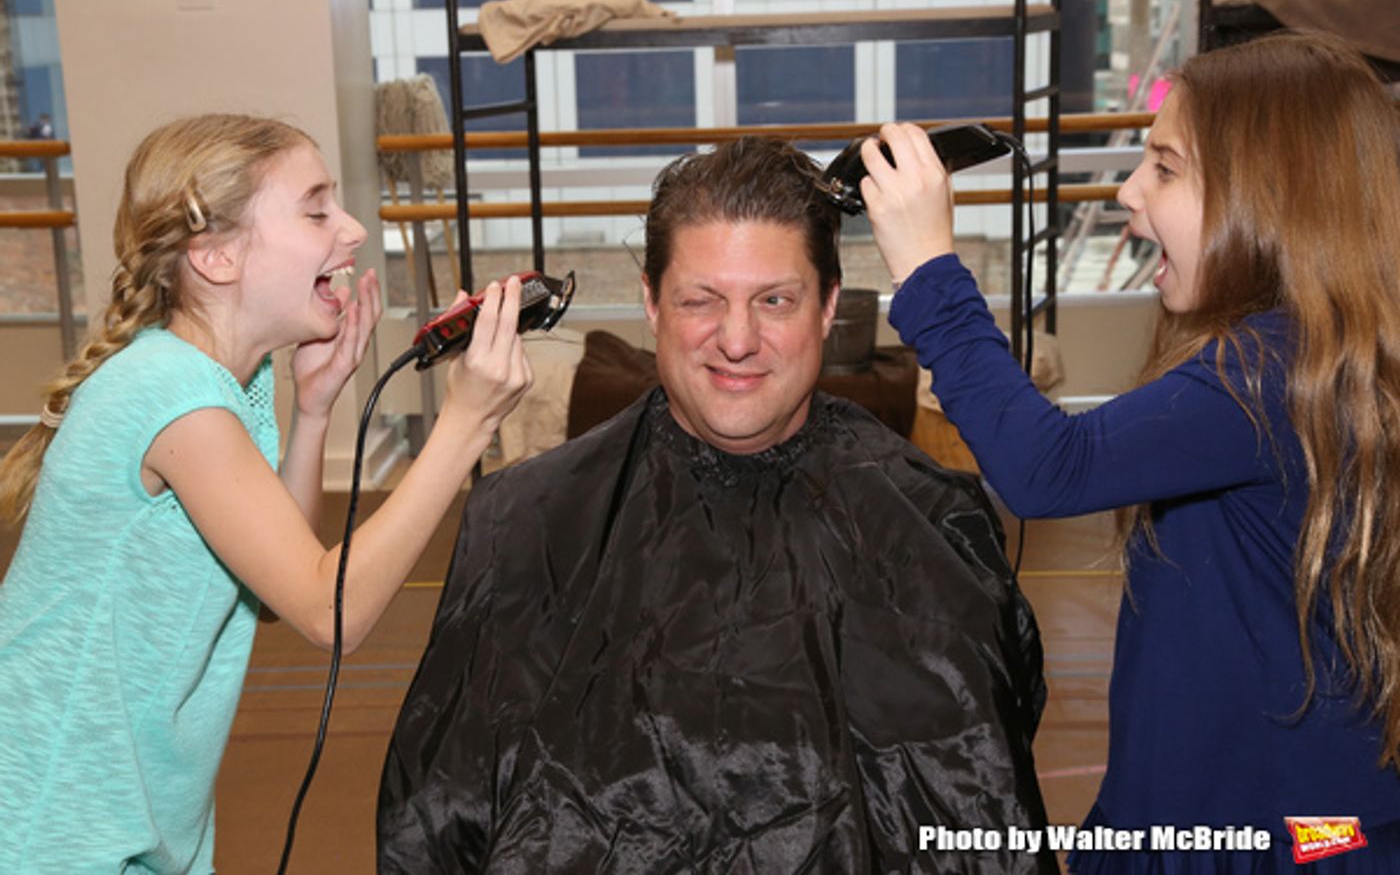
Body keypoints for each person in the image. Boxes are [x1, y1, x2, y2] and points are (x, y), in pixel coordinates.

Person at [378, 136, 1056, 873]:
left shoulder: (932, 526)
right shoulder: (527, 522)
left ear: (829, 307)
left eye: (775, 301)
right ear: (651, 303)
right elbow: (438, 821)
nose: (737, 340)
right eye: (701, 301)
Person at [861, 31, 1400, 871]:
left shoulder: (1270, 372)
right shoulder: (1311, 357)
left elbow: (1048, 468)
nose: (1128, 191)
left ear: (1269, 196)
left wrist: (928, 267)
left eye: (1166, 168)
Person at [0, 114, 532, 873]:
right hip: (50, 822)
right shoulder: (171, 395)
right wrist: (465, 425)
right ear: (216, 256)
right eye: (316, 210)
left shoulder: (222, 384)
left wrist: (312, 411)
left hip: (124, 816)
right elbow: (329, 611)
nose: (352, 229)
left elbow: (280, 583)